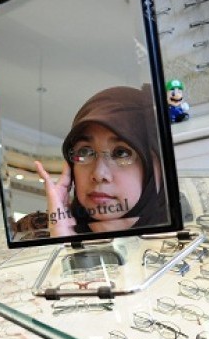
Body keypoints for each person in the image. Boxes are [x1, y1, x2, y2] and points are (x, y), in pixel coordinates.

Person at [34, 85, 168, 237]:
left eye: (121, 153)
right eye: (84, 151)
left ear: (153, 164)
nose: (98, 174)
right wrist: (62, 238)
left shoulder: (190, 232)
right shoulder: (35, 231)